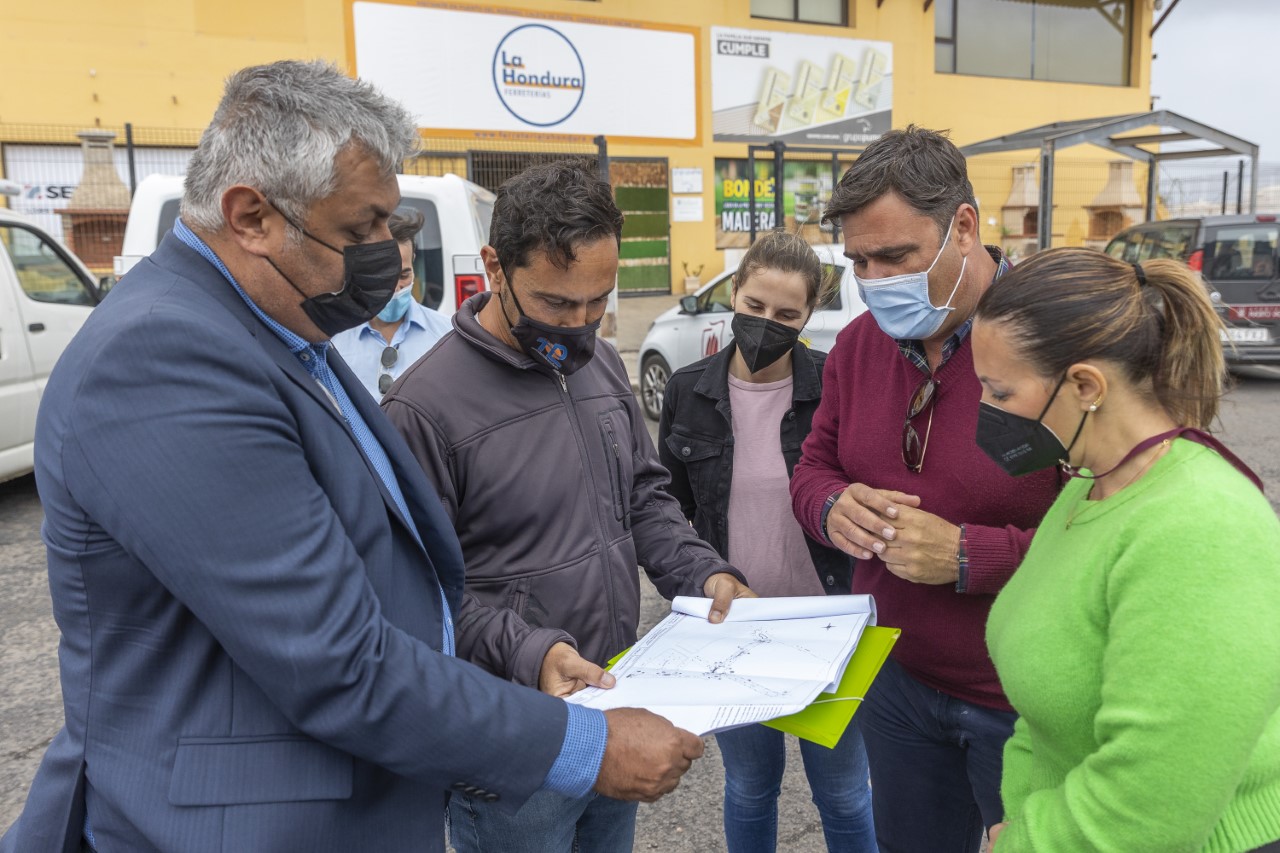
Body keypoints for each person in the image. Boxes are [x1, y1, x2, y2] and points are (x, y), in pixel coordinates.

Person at [0, 61, 705, 853]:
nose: (388, 253)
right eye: (362, 228)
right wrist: (584, 744)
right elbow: (336, 660)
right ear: (252, 215)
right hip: (247, 821)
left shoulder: (282, 333)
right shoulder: (165, 359)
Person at [382, 158, 754, 853]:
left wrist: (701, 574)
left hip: (615, 705)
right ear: (495, 266)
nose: (581, 324)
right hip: (517, 738)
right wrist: (533, 651)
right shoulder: (422, 409)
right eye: (557, 304)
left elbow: (644, 496)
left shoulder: (600, 362)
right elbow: (419, 595)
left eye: (598, 301)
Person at [788, 125, 1060, 853]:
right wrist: (830, 507)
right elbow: (813, 467)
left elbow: (1118, 533)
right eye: (858, 261)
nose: (875, 280)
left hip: (1026, 701)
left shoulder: (1055, 342)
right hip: (898, 682)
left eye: (896, 256)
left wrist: (973, 556)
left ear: (963, 227)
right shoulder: (856, 345)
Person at [970, 248, 1280, 853]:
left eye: (1000, 392)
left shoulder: (1199, 526)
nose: (985, 413)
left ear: (1085, 386)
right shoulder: (1089, 487)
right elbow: (1046, 715)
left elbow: (1154, 799)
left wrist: (1024, 841)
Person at [657, 229, 876, 853]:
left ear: (809, 315)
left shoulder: (835, 386)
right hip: (735, 628)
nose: (765, 324)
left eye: (787, 314)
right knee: (751, 787)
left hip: (828, 624)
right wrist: (692, 596)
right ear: (734, 293)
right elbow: (670, 512)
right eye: (754, 306)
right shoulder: (688, 391)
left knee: (843, 791)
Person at [331, 208, 452, 399]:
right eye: (384, 276)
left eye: (404, 275)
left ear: (413, 262)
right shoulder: (334, 338)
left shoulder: (446, 335)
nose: (395, 288)